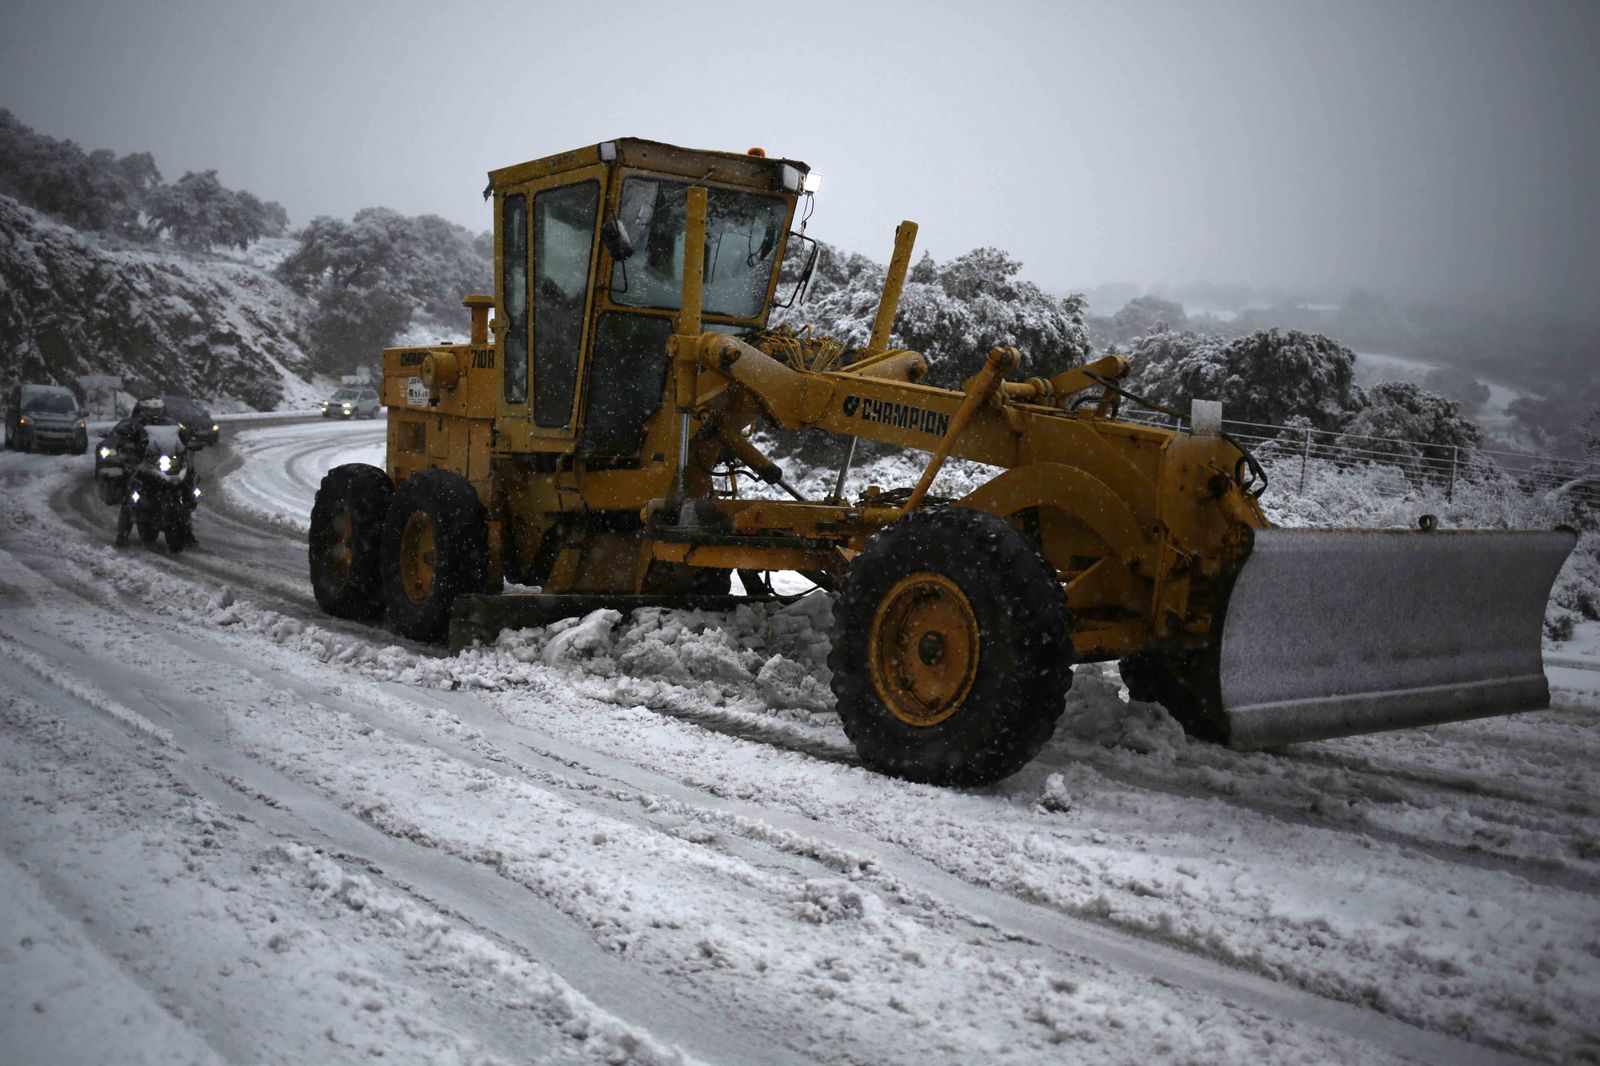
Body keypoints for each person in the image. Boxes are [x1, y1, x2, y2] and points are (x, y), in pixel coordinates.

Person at [113, 396, 173, 547]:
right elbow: (121, 436)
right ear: (143, 409)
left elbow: (180, 436)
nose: (155, 413)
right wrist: (128, 446)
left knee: (181, 487)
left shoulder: (168, 423)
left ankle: (186, 530)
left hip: (162, 464)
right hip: (140, 464)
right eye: (151, 410)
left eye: (157, 410)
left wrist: (187, 441)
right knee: (131, 496)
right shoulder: (132, 424)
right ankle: (122, 534)